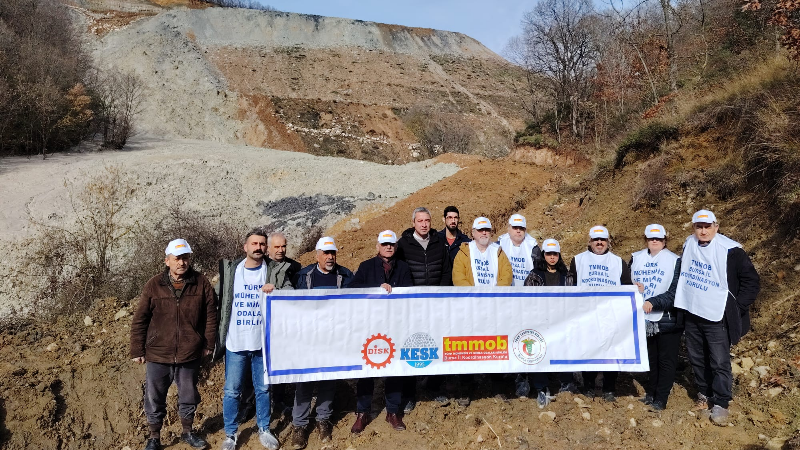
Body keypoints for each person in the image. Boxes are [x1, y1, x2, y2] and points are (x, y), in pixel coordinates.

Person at [130, 239, 218, 450]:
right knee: (154, 397)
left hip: (190, 351)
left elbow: (211, 316)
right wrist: (137, 348)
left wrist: (208, 343)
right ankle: (154, 437)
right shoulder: (154, 284)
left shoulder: (201, 282)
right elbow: (140, 318)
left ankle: (187, 432)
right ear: (167, 260)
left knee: (188, 395)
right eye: (177, 258)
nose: (182, 262)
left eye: (185, 258)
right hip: (158, 352)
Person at [674, 210, 760, 425]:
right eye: (699, 227)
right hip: (693, 311)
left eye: (707, 226)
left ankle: (721, 401)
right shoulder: (689, 244)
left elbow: (751, 281)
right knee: (696, 357)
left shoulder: (731, 251)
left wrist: (736, 307)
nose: (703, 231)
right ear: (693, 228)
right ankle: (705, 393)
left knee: (719, 361)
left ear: (716, 226)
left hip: (717, 316)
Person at [217, 229, 289, 450]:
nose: (258, 247)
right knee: (232, 390)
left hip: (262, 344)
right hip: (235, 343)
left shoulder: (274, 271)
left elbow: (291, 293)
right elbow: (219, 300)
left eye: (262, 244)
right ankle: (230, 433)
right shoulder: (232, 271)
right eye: (254, 243)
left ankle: (264, 429)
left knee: (263, 389)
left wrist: (276, 290)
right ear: (245, 247)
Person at [290, 237, 354, 449]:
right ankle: (299, 425)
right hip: (309, 338)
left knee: (329, 378)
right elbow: (291, 304)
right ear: (316, 255)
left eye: (333, 253)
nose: (330, 257)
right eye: (325, 253)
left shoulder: (345, 275)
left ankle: (322, 419)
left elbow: (358, 300)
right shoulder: (304, 276)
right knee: (305, 380)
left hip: (333, 338)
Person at [348, 230, 413, 434]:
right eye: (384, 244)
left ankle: (393, 411)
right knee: (367, 368)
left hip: (395, 325)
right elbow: (354, 288)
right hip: (370, 326)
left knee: (394, 368)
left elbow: (410, 293)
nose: (388, 247)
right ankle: (362, 412)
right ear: (377, 246)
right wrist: (377, 288)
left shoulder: (403, 267)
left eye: (391, 244)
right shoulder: (366, 267)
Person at [451, 217, 513, 406]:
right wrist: (474, 296)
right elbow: (458, 277)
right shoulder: (464, 252)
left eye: (487, 230)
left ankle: (497, 386)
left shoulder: (498, 252)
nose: (484, 233)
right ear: (473, 233)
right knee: (468, 347)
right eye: (480, 230)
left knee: (495, 346)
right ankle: (466, 389)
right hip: (471, 309)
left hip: (493, 309)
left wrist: (493, 296)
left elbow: (506, 275)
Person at [396, 207, 452, 411]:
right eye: (420, 221)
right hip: (412, 306)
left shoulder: (439, 243)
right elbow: (400, 272)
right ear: (413, 223)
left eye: (427, 220)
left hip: (435, 304)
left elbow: (446, 271)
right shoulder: (403, 245)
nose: (424, 224)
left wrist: (440, 294)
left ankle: (433, 386)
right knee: (412, 346)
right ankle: (409, 394)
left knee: (435, 343)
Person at [569, 225, 633, 402]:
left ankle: (609, 388)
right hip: (586, 314)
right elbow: (571, 287)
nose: (599, 243)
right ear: (589, 242)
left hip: (610, 315)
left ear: (608, 242)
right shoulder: (578, 260)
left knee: (610, 351)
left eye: (603, 240)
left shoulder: (618, 262)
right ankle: (588, 386)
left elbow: (627, 286)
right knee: (589, 350)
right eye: (596, 240)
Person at [629, 224, 682, 411]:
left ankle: (661, 397)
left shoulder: (675, 260)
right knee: (651, 357)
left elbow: (675, 291)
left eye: (658, 239)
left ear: (664, 240)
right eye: (651, 238)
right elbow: (628, 283)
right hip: (644, 318)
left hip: (667, 318)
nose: (655, 241)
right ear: (646, 239)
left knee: (666, 360)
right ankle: (651, 393)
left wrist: (654, 301)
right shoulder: (636, 258)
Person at [522, 239, 577, 407]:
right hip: (540, 321)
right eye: (548, 254)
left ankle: (566, 383)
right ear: (543, 255)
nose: (552, 257)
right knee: (540, 353)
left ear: (559, 255)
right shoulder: (534, 275)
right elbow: (526, 300)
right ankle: (541, 387)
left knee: (562, 351)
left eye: (555, 254)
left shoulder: (566, 275)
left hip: (560, 321)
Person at [497, 213, 542, 286]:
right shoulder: (499, 245)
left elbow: (539, 271)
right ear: (509, 229)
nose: (518, 231)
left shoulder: (533, 247)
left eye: (521, 228)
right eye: (515, 227)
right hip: (504, 291)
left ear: (525, 230)